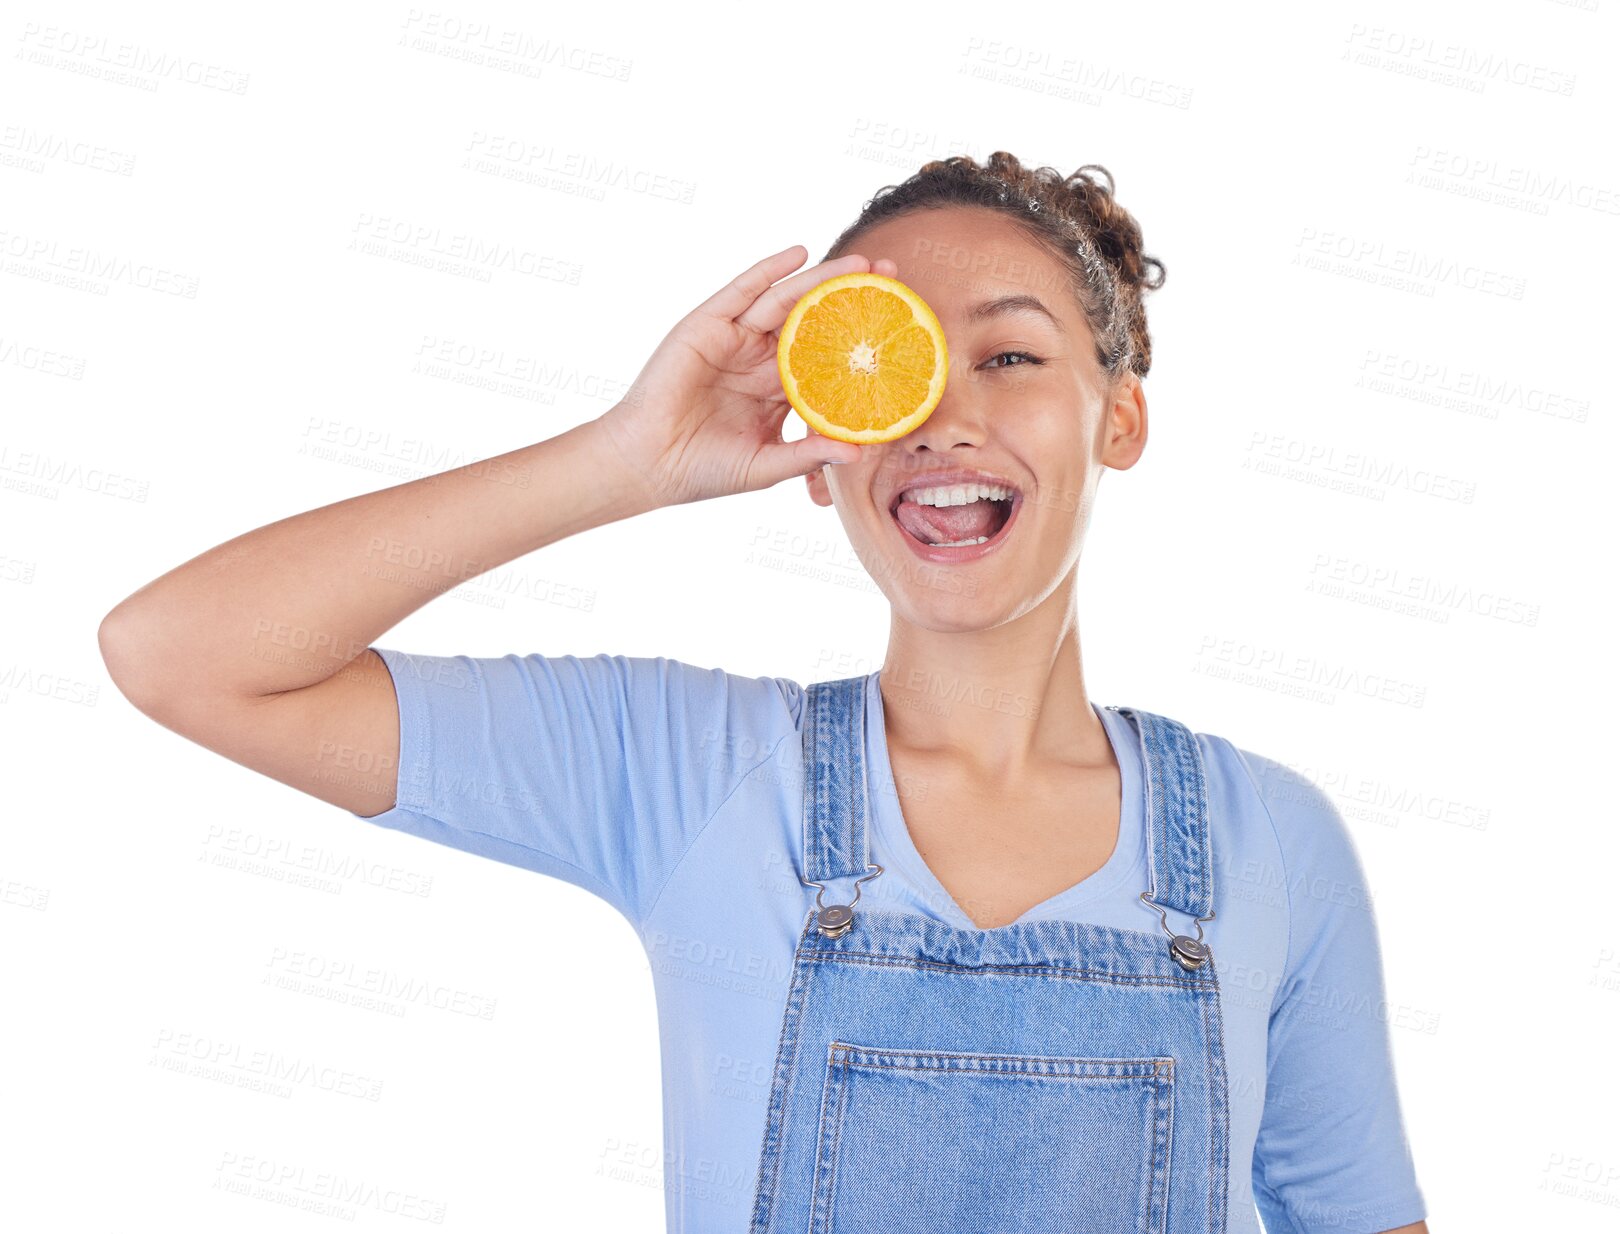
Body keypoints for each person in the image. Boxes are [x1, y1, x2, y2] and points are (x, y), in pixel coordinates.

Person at [98, 152, 1429, 1234]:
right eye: (895, 363)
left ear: (1119, 417)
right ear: (819, 444)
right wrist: (627, 458)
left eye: (1012, 358)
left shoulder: (1273, 846)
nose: (942, 419)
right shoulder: (691, 773)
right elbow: (182, 652)